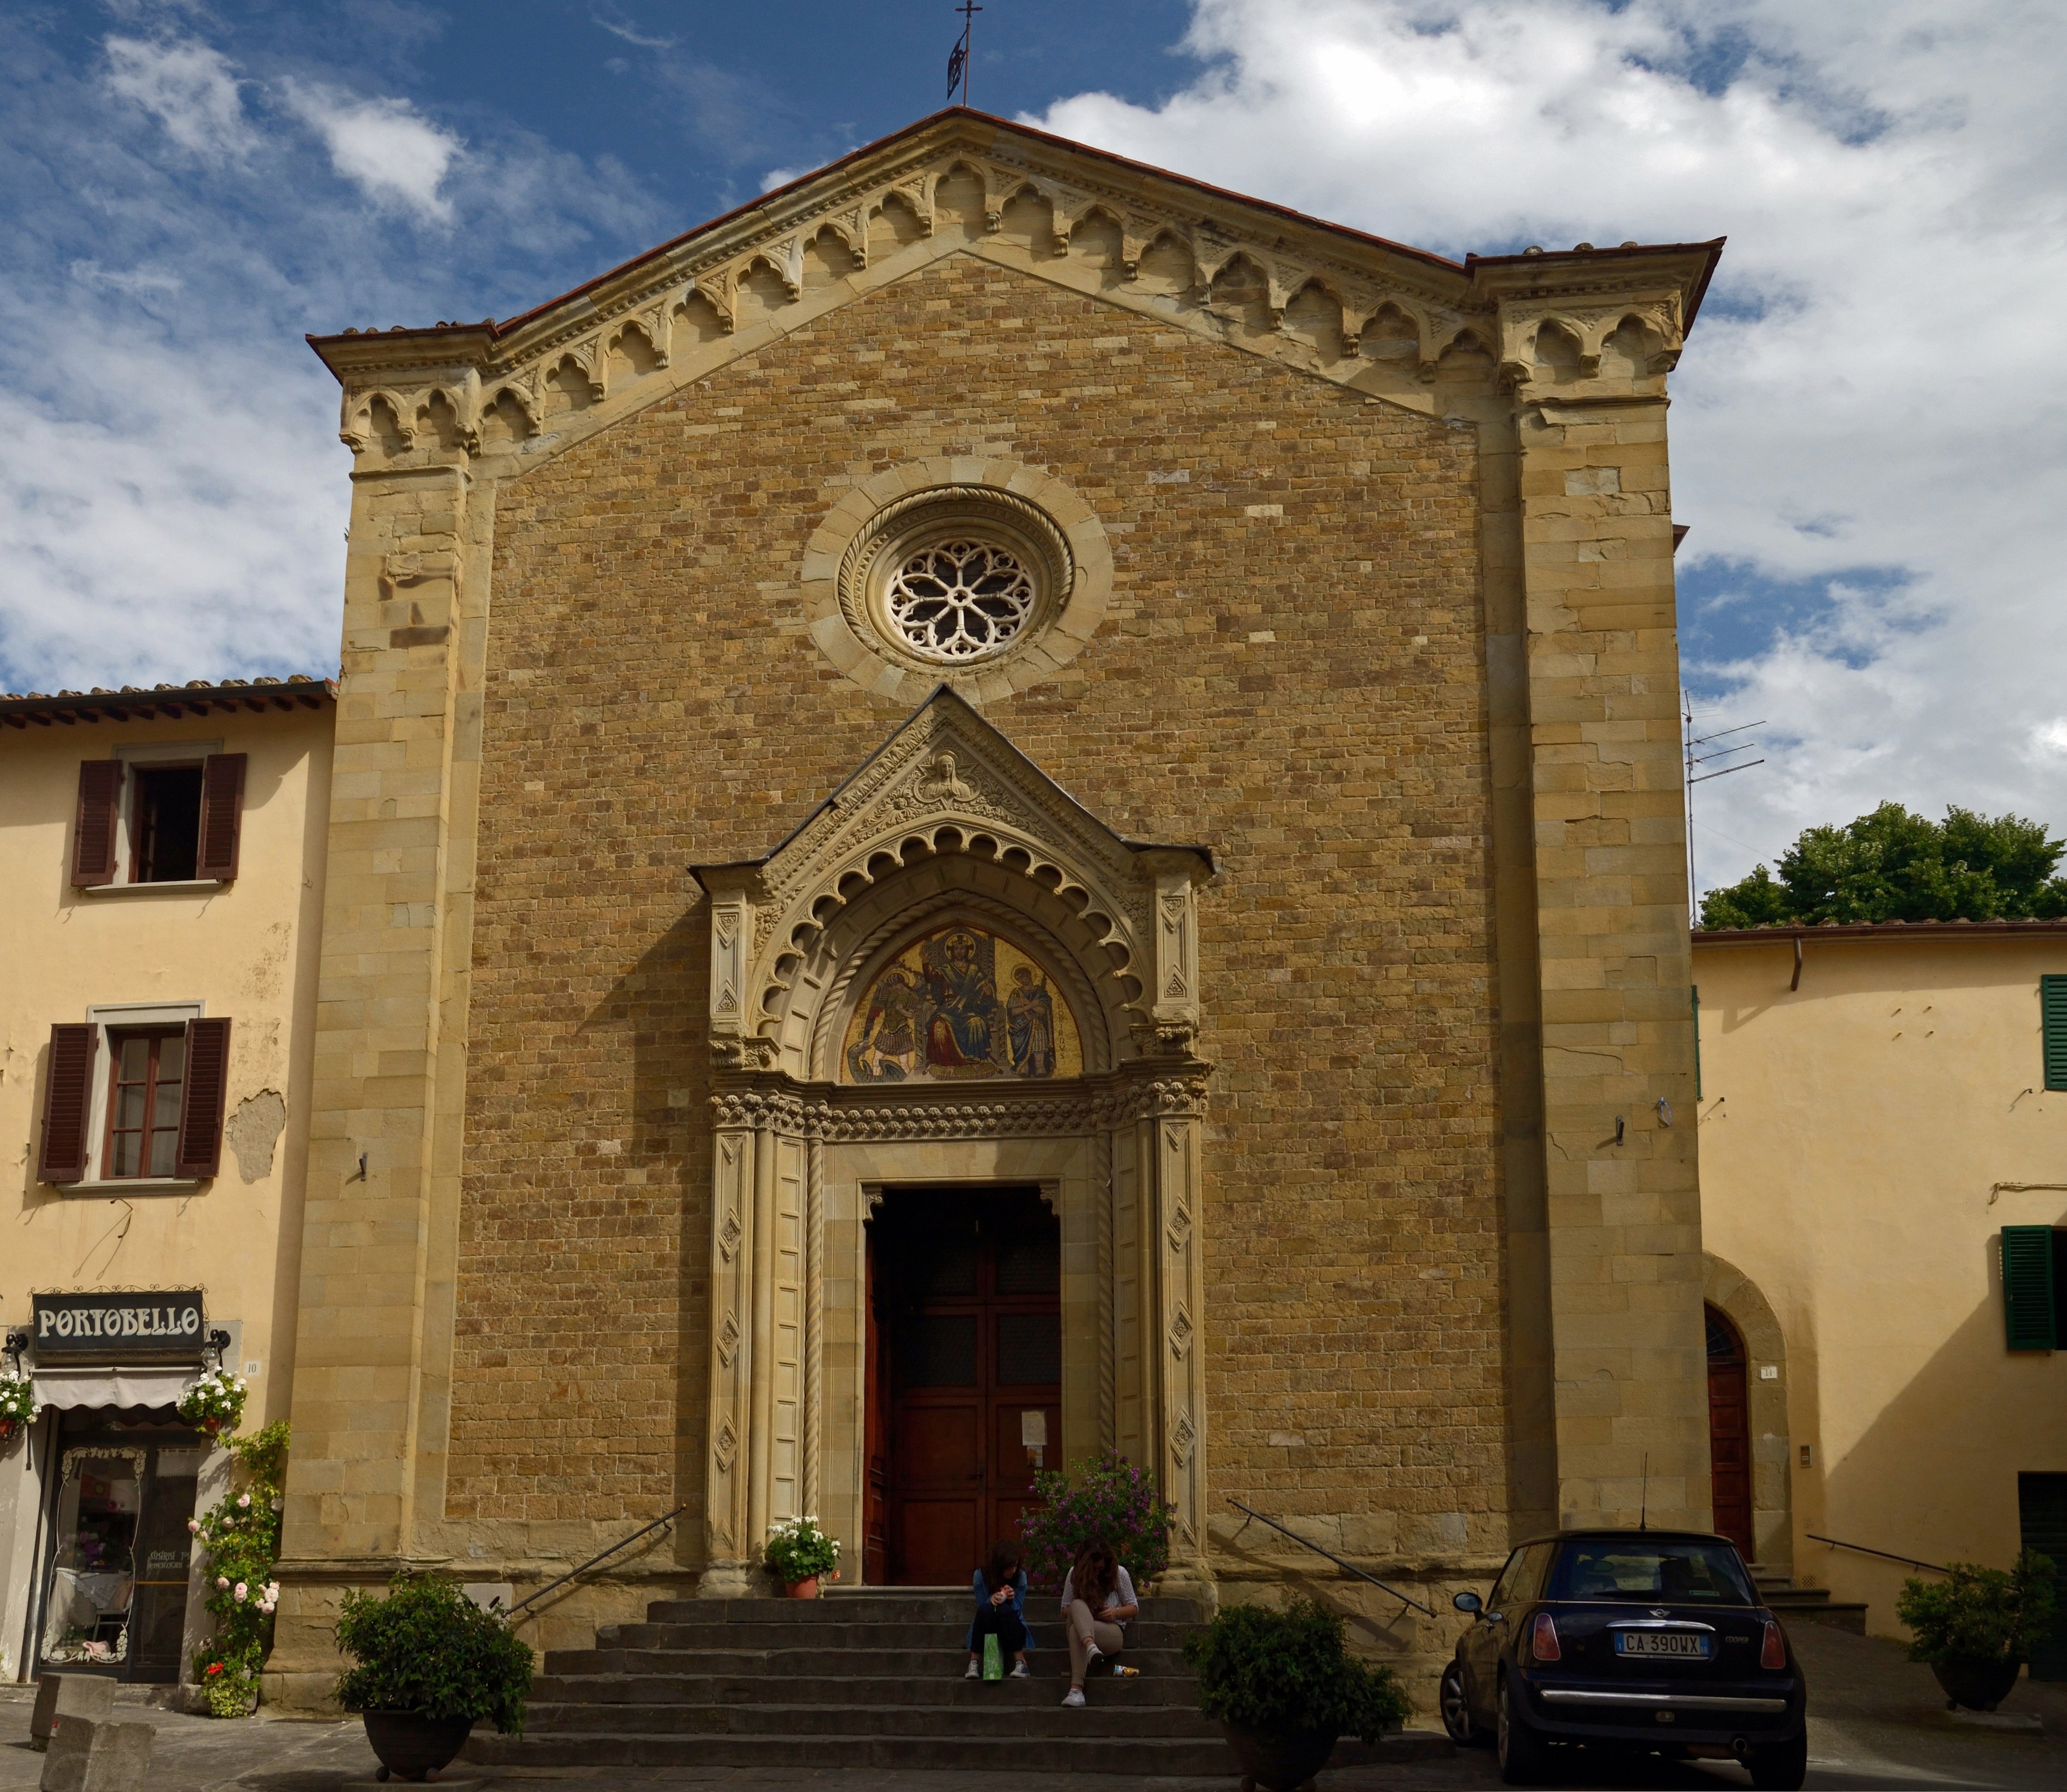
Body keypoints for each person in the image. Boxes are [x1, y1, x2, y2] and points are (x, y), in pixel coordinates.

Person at [1059, 1538, 1137, 1707]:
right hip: (1086, 1627)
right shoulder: (1074, 1574)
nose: (1097, 1573)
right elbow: (1065, 1610)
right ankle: (1090, 1647)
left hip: (1110, 1630)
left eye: (1101, 1569)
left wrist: (1115, 1613)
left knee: (1075, 1632)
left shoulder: (1119, 1573)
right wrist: (1086, 1611)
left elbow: (1133, 1607)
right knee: (1077, 1605)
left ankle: (1077, 1690)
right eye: (1093, 1569)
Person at [965, 1539, 1033, 1679]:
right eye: (1009, 1568)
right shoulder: (980, 1576)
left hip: (1011, 1624)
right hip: (988, 1622)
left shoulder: (1021, 1577)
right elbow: (981, 1607)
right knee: (985, 1610)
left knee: (1004, 1610)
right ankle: (974, 1662)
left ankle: (1021, 1662)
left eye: (1015, 1566)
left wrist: (1011, 1599)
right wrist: (991, 1600)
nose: (1013, 1571)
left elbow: (1018, 1609)